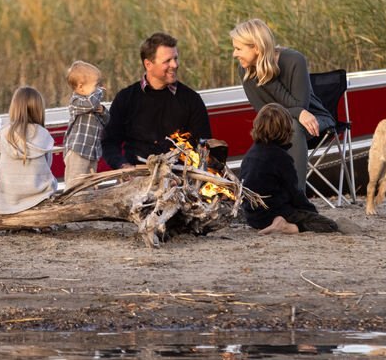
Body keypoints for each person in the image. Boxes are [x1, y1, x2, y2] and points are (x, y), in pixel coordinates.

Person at [230, 18, 335, 189]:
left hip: (314, 119)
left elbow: (301, 107)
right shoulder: (246, 69)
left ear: (256, 47)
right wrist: (264, 71)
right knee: (266, 138)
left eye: (238, 49)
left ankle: (297, 199)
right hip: (276, 123)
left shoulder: (294, 60)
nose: (234, 54)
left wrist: (266, 75)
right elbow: (264, 111)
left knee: (292, 125)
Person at [101, 31, 211, 169]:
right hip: (136, 178)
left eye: (175, 58)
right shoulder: (125, 98)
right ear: (148, 64)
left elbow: (204, 145)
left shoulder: (191, 99)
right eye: (167, 61)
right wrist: (123, 166)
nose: (175, 65)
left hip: (180, 179)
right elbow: (109, 143)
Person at [238, 103, 339, 234]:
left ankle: (279, 223)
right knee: (330, 225)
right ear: (286, 129)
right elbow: (295, 193)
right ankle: (286, 227)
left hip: (252, 217)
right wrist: (311, 213)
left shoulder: (251, 153)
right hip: (272, 214)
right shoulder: (281, 157)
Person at [0, 86, 56, 214]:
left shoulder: (4, 133)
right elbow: (47, 165)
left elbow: (0, 162)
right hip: (39, 194)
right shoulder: (44, 134)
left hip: (9, 197)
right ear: (39, 109)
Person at [62, 60, 106, 186]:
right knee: (75, 184)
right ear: (80, 87)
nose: (98, 88)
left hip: (92, 151)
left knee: (90, 185)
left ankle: (87, 204)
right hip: (78, 150)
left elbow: (106, 121)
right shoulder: (76, 101)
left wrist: (103, 111)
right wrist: (99, 91)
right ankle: (72, 204)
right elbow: (90, 104)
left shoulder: (94, 103)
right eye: (96, 85)